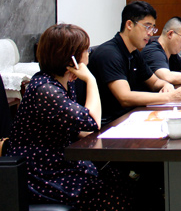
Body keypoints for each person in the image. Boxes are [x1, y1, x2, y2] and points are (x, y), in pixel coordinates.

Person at [4, 24, 132, 210]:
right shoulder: (45, 89)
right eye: (85, 50)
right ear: (71, 56)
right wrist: (91, 80)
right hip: (40, 171)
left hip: (59, 162)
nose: (88, 54)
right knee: (111, 193)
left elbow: (78, 128)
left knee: (121, 179)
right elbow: (92, 124)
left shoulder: (63, 83)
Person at [88, 1, 181, 123]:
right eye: (147, 27)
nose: (150, 33)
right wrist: (169, 97)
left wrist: (166, 85)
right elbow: (125, 97)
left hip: (131, 116)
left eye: (152, 28)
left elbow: (154, 82)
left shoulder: (134, 53)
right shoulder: (109, 53)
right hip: (110, 124)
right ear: (129, 25)